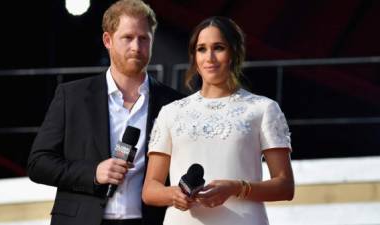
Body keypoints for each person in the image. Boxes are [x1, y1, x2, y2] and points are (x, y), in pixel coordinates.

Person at [27, 1, 183, 225]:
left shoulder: (174, 103)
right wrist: (93, 172)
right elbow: (38, 164)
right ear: (108, 40)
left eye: (144, 38)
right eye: (127, 38)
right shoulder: (73, 96)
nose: (136, 47)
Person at [142, 16, 294, 225]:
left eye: (219, 48)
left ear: (233, 53)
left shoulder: (263, 109)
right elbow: (150, 189)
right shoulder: (171, 112)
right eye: (202, 49)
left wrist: (236, 187)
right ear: (194, 56)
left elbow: (285, 186)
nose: (209, 57)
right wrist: (173, 194)